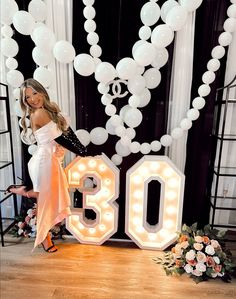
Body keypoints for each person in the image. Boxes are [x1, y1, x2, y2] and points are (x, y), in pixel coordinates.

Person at [8, 78, 86, 253]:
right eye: (27, 97)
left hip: (49, 160)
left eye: (34, 93)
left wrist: (81, 148)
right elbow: (62, 138)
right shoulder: (39, 114)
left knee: (48, 197)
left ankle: (22, 190)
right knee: (45, 201)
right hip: (44, 161)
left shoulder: (48, 111)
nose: (33, 99)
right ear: (24, 101)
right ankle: (44, 238)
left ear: (42, 91)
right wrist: (82, 150)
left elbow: (66, 131)